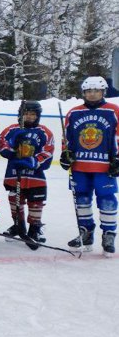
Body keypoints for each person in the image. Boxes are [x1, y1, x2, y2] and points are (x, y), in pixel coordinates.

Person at [60, 76, 119, 256]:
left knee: (107, 200)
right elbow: (67, 138)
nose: (92, 94)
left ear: (103, 92)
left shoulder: (114, 111)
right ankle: (85, 233)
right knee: (82, 199)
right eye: (88, 91)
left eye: (96, 91)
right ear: (83, 93)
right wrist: (65, 154)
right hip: (80, 166)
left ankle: (109, 234)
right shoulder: (73, 113)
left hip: (104, 166)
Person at [0, 100, 54, 249]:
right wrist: (14, 149)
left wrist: (33, 161)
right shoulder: (12, 129)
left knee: (36, 202)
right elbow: (2, 146)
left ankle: (34, 229)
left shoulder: (44, 132)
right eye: (26, 114)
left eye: (32, 114)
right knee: (15, 199)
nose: (29, 117)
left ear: (38, 116)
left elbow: (48, 151)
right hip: (14, 173)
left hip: (35, 176)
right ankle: (18, 225)